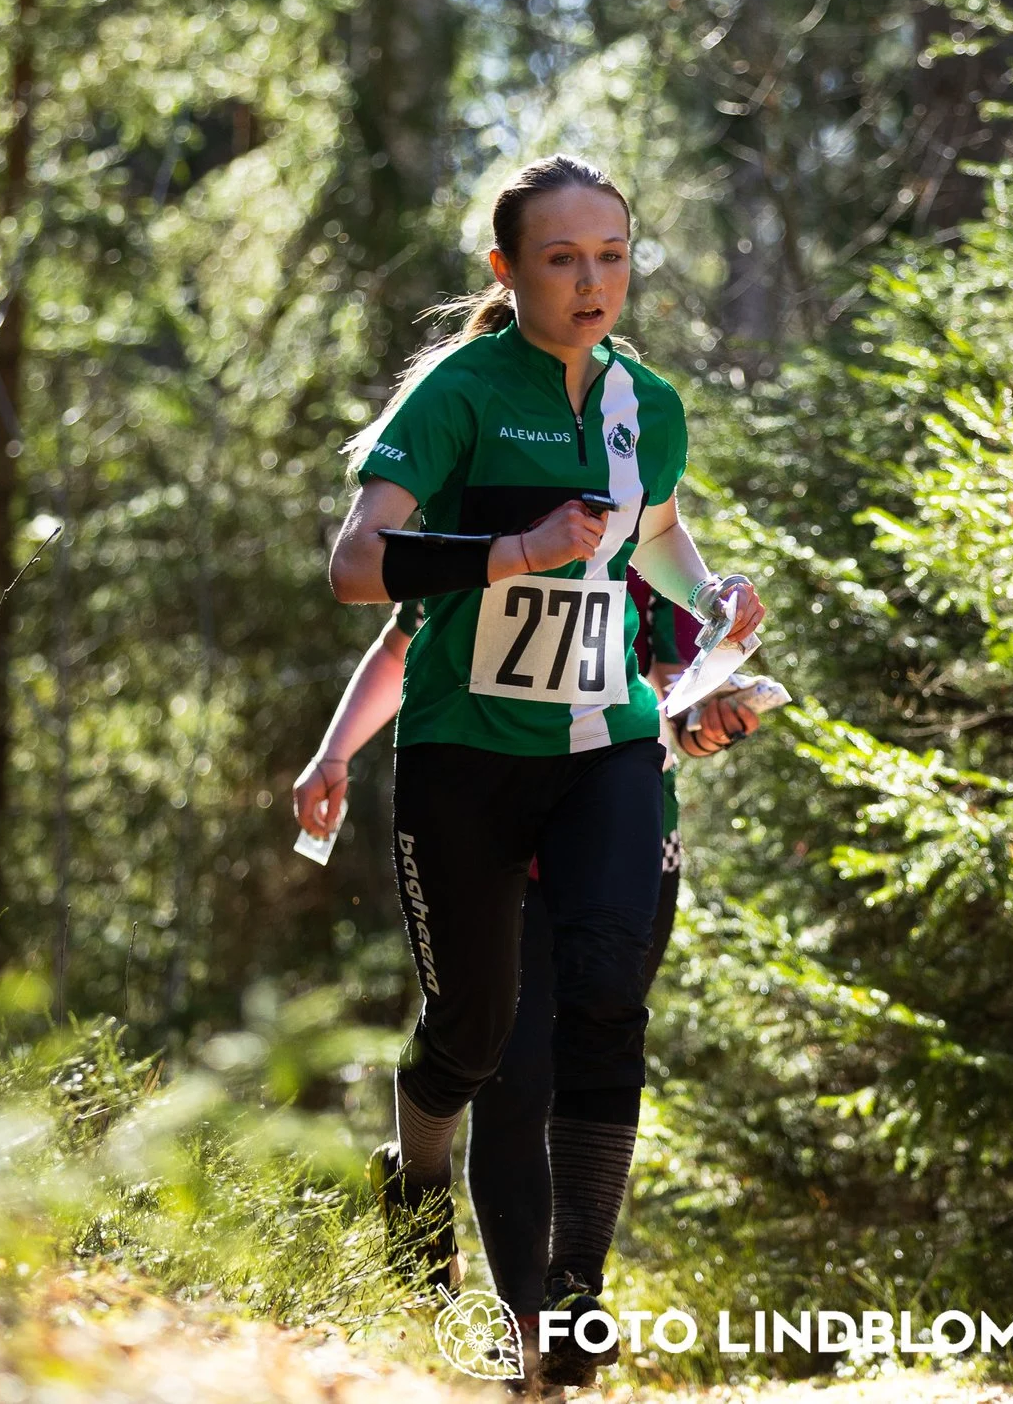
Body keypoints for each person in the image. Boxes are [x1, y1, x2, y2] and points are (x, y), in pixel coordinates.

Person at [321, 154, 766, 1388]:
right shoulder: (459, 395)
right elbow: (358, 565)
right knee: (479, 1037)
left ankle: (567, 1305)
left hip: (606, 737)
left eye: (611, 256)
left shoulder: (649, 405)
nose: (590, 281)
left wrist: (713, 596)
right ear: (505, 270)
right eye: (561, 258)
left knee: (609, 981)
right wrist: (513, 547)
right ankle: (413, 1172)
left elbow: (660, 539)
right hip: (466, 750)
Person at [292, 579, 756, 1360]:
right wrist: (334, 751)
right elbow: (401, 645)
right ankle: (530, 1329)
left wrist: (708, 724)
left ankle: (572, 1291)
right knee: (513, 1071)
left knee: (591, 1047)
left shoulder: (652, 551)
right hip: (504, 847)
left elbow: (678, 703)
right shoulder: (492, 519)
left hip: (630, 845)